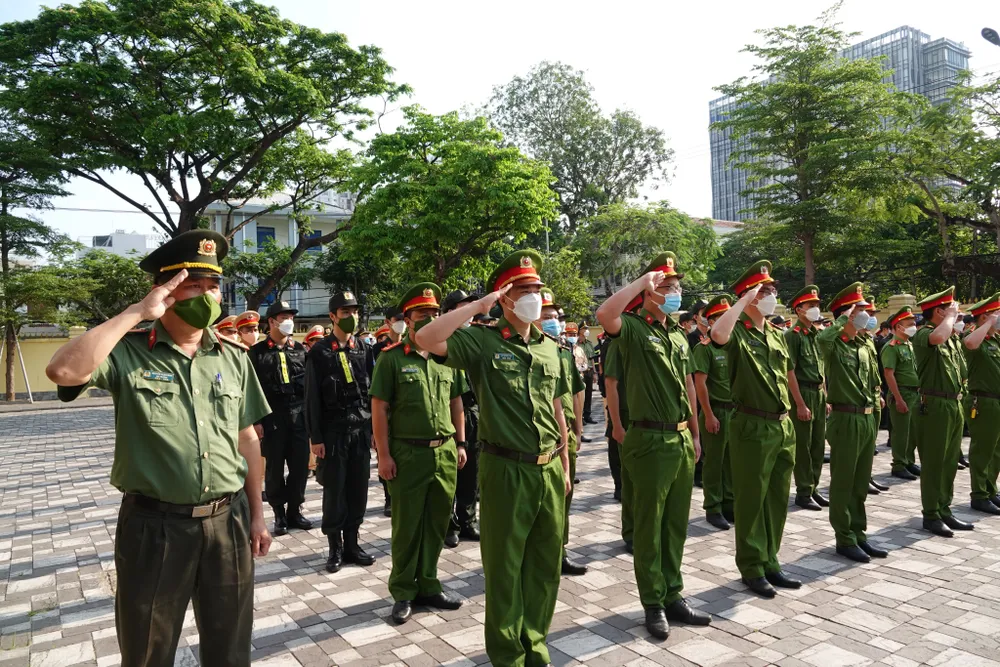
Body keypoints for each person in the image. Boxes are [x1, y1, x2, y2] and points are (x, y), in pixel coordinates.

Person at [45, 230, 271, 667]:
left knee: (231, 649)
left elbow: (247, 438)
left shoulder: (233, 357)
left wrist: (258, 515)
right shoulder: (128, 352)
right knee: (147, 650)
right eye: (192, 285)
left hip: (228, 521)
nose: (207, 296)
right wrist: (136, 312)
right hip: (155, 528)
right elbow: (63, 371)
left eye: (212, 286)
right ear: (164, 291)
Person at [413, 249, 571, 667]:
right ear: (505, 297)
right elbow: (426, 338)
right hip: (506, 469)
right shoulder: (483, 341)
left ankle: (536, 646)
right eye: (524, 290)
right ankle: (507, 656)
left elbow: (557, 410)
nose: (534, 297)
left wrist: (566, 466)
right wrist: (476, 307)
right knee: (505, 569)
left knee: (545, 566)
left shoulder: (550, 347)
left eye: (537, 288)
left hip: (549, 467)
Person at [596, 251, 710, 640]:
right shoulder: (631, 328)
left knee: (675, 524)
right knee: (649, 526)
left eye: (677, 287)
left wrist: (695, 432)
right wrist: (641, 282)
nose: (675, 293)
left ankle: (673, 593)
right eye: (667, 287)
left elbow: (688, 386)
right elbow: (604, 314)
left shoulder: (677, 334)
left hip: (680, 437)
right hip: (648, 438)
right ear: (648, 292)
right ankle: (653, 602)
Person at [370, 283, 467, 624]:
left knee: (437, 523)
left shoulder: (447, 357)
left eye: (434, 313)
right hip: (408, 454)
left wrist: (460, 443)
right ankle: (403, 591)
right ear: (408, 320)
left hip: (444, 453)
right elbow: (379, 408)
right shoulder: (392, 358)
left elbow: (457, 402)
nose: (430, 318)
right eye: (423, 313)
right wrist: (383, 456)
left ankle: (428, 584)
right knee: (407, 526)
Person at [710, 260, 800, 599]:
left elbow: (787, 375)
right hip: (751, 424)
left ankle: (770, 559)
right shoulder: (736, 331)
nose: (772, 295)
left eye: (772, 290)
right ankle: (751, 566)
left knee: (777, 498)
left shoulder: (776, 334)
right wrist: (742, 301)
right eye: (764, 291)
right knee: (751, 499)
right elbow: (718, 335)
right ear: (749, 296)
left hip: (782, 424)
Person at [305, 290, 379, 571]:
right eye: (346, 312)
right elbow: (312, 398)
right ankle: (334, 547)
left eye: (355, 311)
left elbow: (372, 393)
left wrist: (374, 430)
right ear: (333, 316)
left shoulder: (363, 348)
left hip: (360, 432)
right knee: (335, 492)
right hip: (333, 434)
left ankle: (352, 544)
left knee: (358, 490)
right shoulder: (320, 352)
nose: (352, 317)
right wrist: (316, 438)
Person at [817, 284, 886, 563]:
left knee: (860, 482)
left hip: (867, 416)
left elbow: (873, 379)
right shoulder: (834, 342)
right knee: (844, 482)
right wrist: (842, 318)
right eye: (859, 310)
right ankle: (844, 537)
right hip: (845, 418)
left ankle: (859, 533)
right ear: (846, 314)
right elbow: (822, 340)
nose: (866, 315)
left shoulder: (865, 342)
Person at [249, 300, 312, 537]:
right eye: (284, 318)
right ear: (272, 322)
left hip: (298, 417)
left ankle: (295, 510)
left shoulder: (300, 350)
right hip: (272, 418)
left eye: (291, 317)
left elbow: (310, 388)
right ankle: (279, 514)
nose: (289, 322)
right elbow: (251, 389)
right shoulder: (257, 352)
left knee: (300, 467)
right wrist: (256, 421)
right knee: (274, 469)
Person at [912, 287, 970, 537]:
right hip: (933, 404)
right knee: (934, 462)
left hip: (953, 403)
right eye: (951, 310)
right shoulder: (923, 334)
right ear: (938, 311)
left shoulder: (951, 338)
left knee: (949, 462)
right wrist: (951, 316)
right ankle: (931, 515)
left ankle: (944, 508)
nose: (957, 315)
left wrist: (952, 318)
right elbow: (937, 338)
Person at [539, 289, 588, 576]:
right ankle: (543, 552)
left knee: (565, 495)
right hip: (541, 438)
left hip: (565, 433)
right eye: (547, 316)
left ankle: (560, 550)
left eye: (556, 317)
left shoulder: (563, 353)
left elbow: (576, 394)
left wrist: (578, 429)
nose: (554, 321)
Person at [441, 289, 483, 548]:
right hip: (448, 413)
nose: (468, 313)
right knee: (450, 473)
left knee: (472, 472)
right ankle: (449, 524)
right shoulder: (441, 341)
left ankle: (468, 519)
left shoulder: (476, 339)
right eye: (462, 307)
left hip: (473, 412)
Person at [691, 294, 736, 530]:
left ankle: (729, 503)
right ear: (711, 322)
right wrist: (708, 414)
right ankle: (713, 507)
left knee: (732, 461)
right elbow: (700, 384)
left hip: (735, 412)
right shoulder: (704, 349)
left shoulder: (735, 346)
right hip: (716, 411)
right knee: (714, 463)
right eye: (721, 318)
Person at [785, 285, 829, 512]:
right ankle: (803, 491)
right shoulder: (792, 336)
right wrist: (800, 404)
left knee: (818, 444)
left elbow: (822, 369)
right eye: (810, 305)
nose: (815, 309)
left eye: (817, 305)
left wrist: (826, 396)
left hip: (818, 394)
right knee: (803, 445)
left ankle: (814, 487)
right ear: (799, 309)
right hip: (802, 393)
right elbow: (789, 371)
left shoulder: (816, 335)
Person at [604, 292, 641, 550]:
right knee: (630, 478)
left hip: (648, 417)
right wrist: (616, 424)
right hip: (627, 415)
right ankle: (631, 531)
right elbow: (611, 384)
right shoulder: (619, 343)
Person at [963, 293, 1000, 514]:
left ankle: (990, 489)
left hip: (997, 401)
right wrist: (987, 324)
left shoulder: (996, 340)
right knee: (983, 450)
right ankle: (979, 495)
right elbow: (969, 343)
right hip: (983, 401)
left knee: (996, 451)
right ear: (985, 316)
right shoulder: (974, 337)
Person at [882, 306, 922, 481]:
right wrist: (898, 398)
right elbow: (889, 374)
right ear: (899, 327)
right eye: (910, 324)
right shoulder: (892, 347)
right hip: (902, 393)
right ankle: (898, 464)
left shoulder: (910, 345)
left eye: (914, 323)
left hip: (914, 394)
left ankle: (908, 461)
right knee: (901, 432)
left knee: (912, 431)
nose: (914, 326)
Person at [860, 302, 889, 495]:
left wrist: (878, 392)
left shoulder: (869, 340)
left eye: (872, 314)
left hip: (874, 395)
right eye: (867, 313)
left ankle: (867, 476)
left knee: (871, 442)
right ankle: (861, 479)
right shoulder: (850, 340)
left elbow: (874, 370)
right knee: (861, 445)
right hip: (861, 399)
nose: (871, 318)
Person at [579, 323, 598, 424]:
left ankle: (587, 415)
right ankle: (580, 417)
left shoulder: (589, 343)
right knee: (581, 395)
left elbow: (592, 359)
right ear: (580, 331)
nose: (587, 330)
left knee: (589, 394)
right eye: (584, 329)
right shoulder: (576, 344)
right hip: (580, 372)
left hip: (589, 371)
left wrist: (594, 373)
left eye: (587, 329)